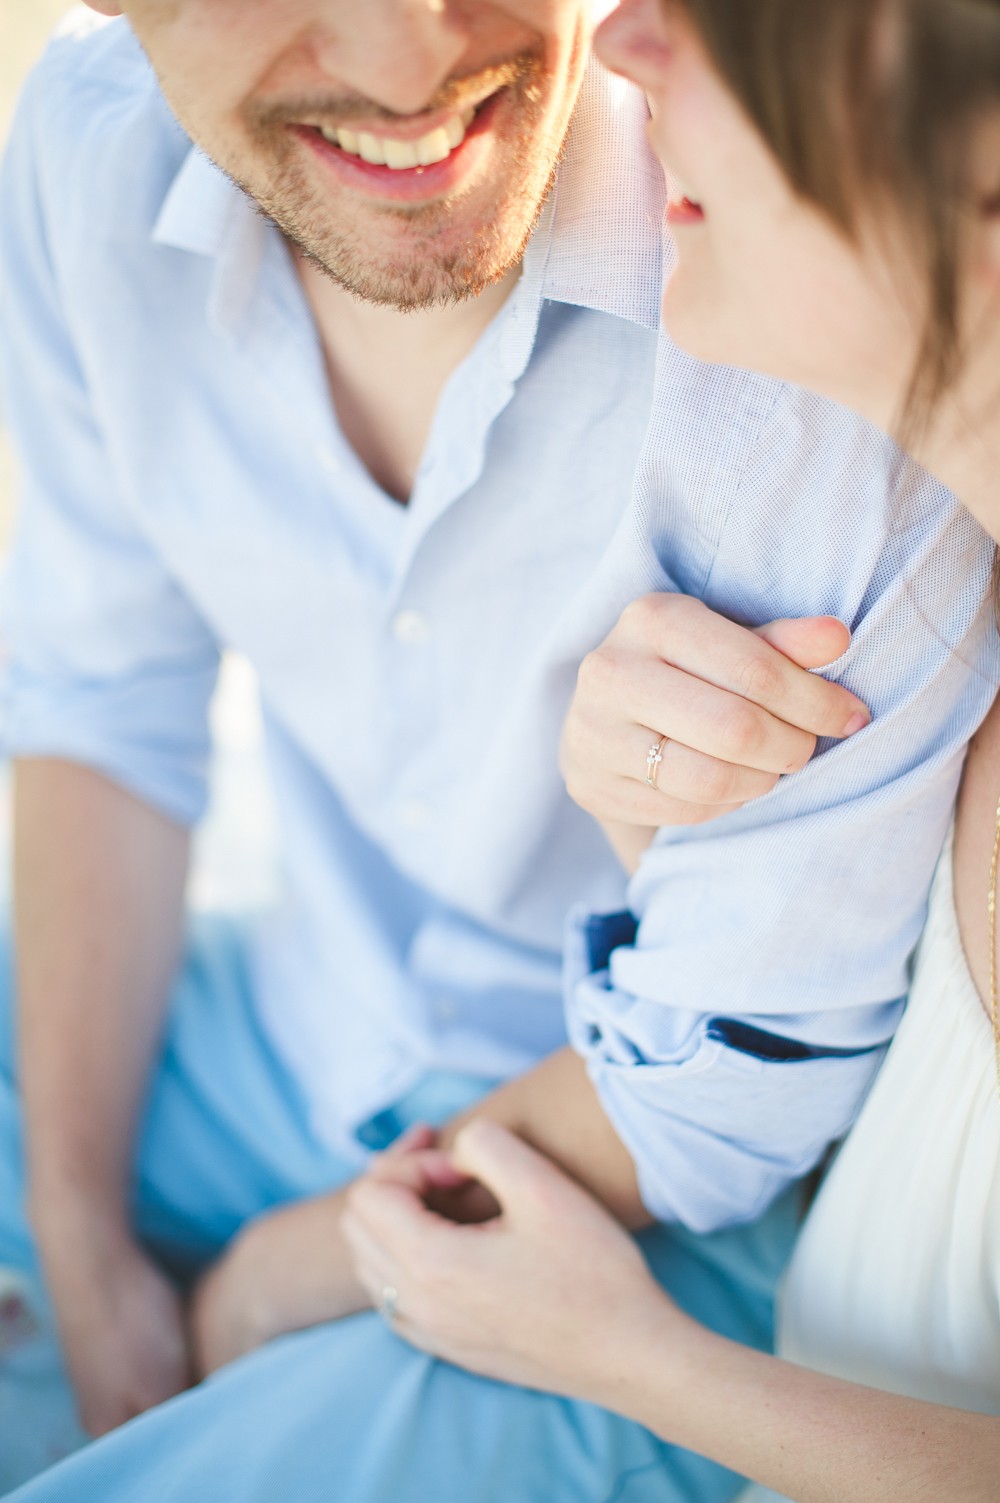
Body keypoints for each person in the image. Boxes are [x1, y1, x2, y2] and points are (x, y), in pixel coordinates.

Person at [0, 0, 994, 1498]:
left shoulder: (804, 301)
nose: (410, 62)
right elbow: (99, 695)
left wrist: (248, 1295)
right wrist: (84, 1246)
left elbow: (720, 1088)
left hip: (632, 1224)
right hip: (288, 1023)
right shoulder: (88, 155)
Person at [341, 2, 1000, 1500]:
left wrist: (623, 1356)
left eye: (759, 22)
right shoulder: (924, 581)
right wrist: (642, 801)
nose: (625, 37)